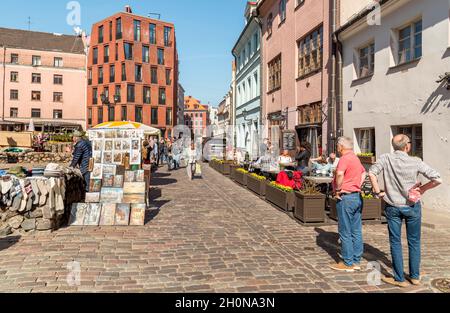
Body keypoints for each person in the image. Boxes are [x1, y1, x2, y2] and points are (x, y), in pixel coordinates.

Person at [368, 134, 442, 287]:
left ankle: (399, 279)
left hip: (393, 205)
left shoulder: (386, 158)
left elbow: (371, 172)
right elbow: (437, 178)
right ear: (407, 146)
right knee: (414, 242)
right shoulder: (416, 161)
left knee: (395, 242)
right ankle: (414, 276)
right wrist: (422, 189)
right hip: (412, 206)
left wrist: (377, 192)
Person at [330, 137, 367, 272]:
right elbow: (364, 173)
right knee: (356, 230)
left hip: (346, 197)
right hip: (356, 196)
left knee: (345, 231)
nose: (337, 149)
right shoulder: (355, 158)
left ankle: (347, 262)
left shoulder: (344, 158)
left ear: (340, 147)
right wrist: (357, 185)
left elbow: (339, 174)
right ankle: (356, 260)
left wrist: (338, 190)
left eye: (338, 147)